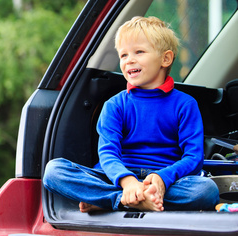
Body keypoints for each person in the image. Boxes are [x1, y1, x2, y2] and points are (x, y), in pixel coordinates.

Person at [43, 16, 219, 212]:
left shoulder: (185, 104)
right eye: (123, 55)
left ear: (165, 58)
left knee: (206, 190)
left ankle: (108, 200)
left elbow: (194, 158)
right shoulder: (115, 105)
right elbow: (108, 153)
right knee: (54, 171)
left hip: (164, 182)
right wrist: (128, 182)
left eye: (139, 52)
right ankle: (124, 199)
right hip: (118, 178)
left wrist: (162, 178)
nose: (129, 60)